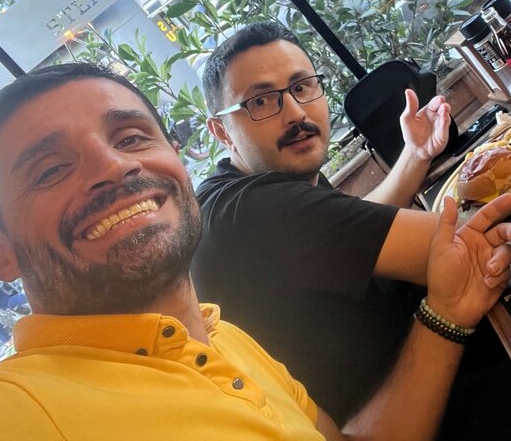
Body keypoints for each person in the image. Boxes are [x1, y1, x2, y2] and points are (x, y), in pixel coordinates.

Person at [0, 63, 511, 440]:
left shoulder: (223, 339)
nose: (114, 166)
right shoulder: (12, 410)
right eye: (51, 169)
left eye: (131, 137)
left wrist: (446, 313)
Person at [193, 22, 474, 423]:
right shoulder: (250, 211)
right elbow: (463, 250)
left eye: (301, 86)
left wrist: (415, 155)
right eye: (260, 101)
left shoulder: (251, 183)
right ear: (222, 130)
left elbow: (356, 232)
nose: (295, 112)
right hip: (409, 408)